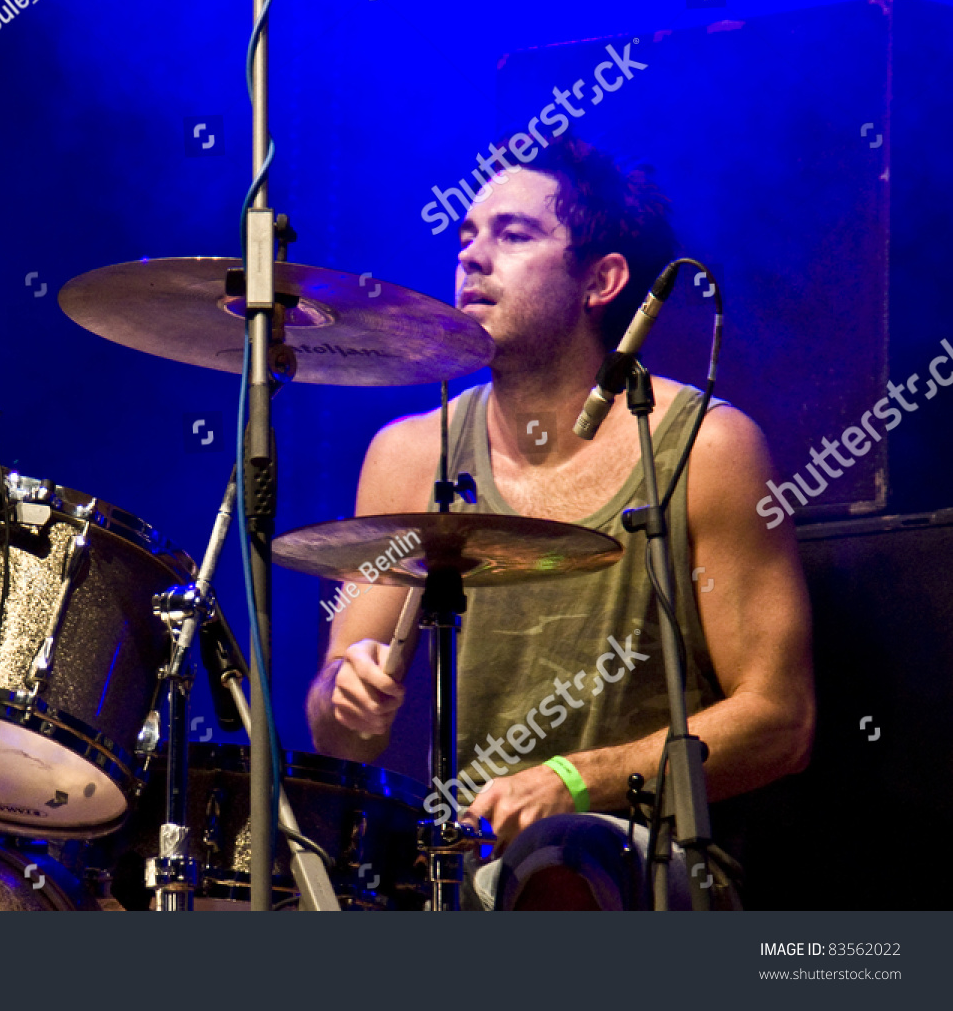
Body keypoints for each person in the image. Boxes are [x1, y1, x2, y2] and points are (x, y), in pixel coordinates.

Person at [305, 134, 814, 909]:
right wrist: (347, 693)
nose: (472, 258)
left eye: (513, 235)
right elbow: (340, 735)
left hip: (647, 876)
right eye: (466, 236)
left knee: (569, 861)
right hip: (470, 875)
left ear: (602, 279)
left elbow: (781, 720)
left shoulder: (708, 448)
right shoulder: (407, 457)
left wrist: (577, 780)